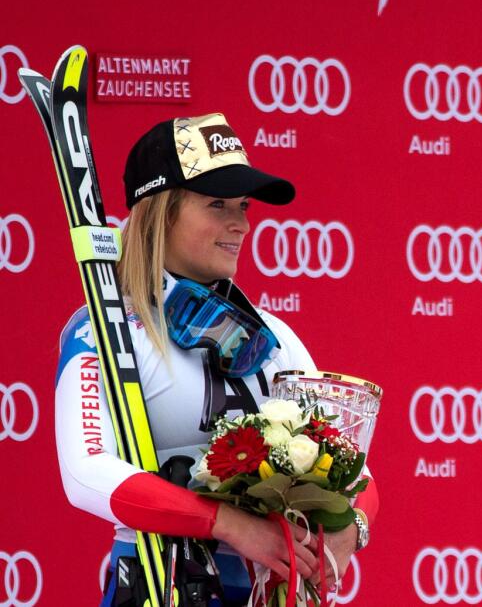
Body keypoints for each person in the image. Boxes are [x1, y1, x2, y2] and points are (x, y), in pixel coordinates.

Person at [54, 113, 378, 605]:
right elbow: (85, 472)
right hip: (156, 583)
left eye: (244, 206)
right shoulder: (103, 329)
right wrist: (230, 525)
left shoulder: (273, 336)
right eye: (217, 205)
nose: (241, 224)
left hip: (263, 589)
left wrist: (345, 532)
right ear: (161, 212)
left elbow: (354, 473)